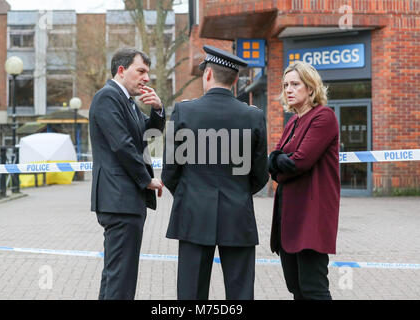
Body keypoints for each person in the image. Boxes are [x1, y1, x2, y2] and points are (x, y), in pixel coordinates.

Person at [161, 45, 269, 300]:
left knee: (191, 292)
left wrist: (189, 192)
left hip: (193, 212)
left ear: (207, 74)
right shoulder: (253, 116)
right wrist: (240, 190)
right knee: (240, 290)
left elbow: (169, 171)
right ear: (234, 80)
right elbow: (260, 174)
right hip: (238, 212)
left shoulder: (184, 112)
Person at [89, 48, 165, 300]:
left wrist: (157, 111)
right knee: (121, 279)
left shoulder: (128, 102)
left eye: (148, 73)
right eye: (140, 71)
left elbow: (146, 136)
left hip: (126, 202)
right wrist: (147, 180)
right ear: (121, 71)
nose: (146, 78)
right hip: (119, 201)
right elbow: (122, 144)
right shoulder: (108, 98)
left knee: (117, 276)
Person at [268, 60, 340, 300]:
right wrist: (278, 161)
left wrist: (279, 161)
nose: (288, 89)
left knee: (313, 289)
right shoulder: (293, 122)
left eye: (295, 84)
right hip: (289, 218)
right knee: (296, 288)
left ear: (310, 88)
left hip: (312, 217)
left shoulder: (324, 117)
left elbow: (300, 162)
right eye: (285, 84)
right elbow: (275, 166)